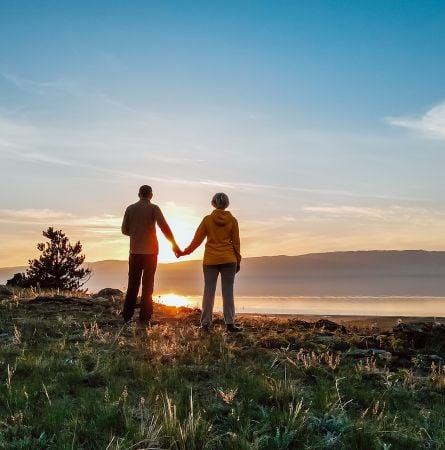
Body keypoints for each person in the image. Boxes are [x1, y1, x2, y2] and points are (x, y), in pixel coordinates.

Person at [181, 192, 242, 332]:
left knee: (209, 291)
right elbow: (236, 243)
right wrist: (238, 260)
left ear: (213, 203)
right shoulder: (233, 220)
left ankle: (205, 323)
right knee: (228, 291)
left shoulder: (207, 220)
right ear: (227, 204)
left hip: (210, 260)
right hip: (229, 259)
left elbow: (197, 240)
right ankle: (230, 323)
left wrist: (185, 251)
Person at [121, 185, 181, 324]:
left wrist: (135, 233)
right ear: (151, 195)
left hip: (135, 252)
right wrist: (174, 245)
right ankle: (145, 316)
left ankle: (127, 315)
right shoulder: (154, 208)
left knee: (132, 284)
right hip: (151, 252)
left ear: (138, 194)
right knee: (148, 285)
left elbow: (124, 230)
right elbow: (164, 227)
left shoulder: (130, 209)